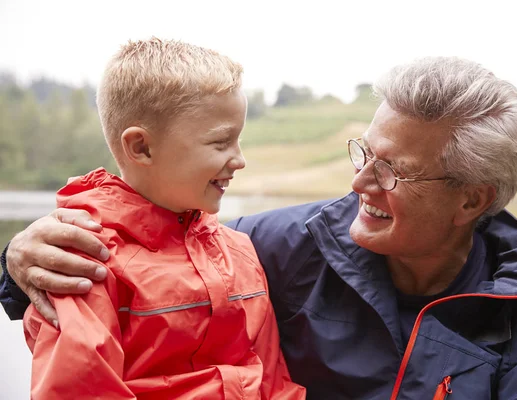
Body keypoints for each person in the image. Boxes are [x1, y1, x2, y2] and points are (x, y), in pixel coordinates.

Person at [2, 57, 517, 399]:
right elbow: (154, 249)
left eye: (395, 173)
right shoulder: (270, 246)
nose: (360, 183)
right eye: (364, 152)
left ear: (472, 201)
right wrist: (17, 262)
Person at [6, 37, 305, 400]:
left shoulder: (239, 250)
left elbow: (272, 379)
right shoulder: (81, 259)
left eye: (238, 140)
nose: (239, 159)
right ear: (141, 148)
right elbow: (78, 389)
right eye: (221, 142)